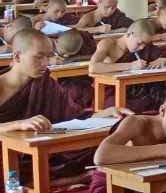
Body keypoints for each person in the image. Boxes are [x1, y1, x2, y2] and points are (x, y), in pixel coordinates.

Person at [0, 30, 129, 178]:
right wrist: (18, 124)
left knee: (102, 149)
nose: (45, 63)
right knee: (9, 171)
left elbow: (71, 112)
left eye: (48, 56)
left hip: (36, 145)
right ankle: (72, 178)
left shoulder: (44, 83)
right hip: (6, 149)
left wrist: (103, 113)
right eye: (38, 57)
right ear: (17, 56)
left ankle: (54, 178)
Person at [89, 20, 166, 114]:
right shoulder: (108, 44)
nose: (142, 47)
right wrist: (130, 65)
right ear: (129, 34)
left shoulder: (144, 47)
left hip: (138, 92)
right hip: (114, 91)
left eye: (145, 44)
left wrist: (163, 60)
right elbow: (93, 67)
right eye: (140, 43)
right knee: (114, 105)